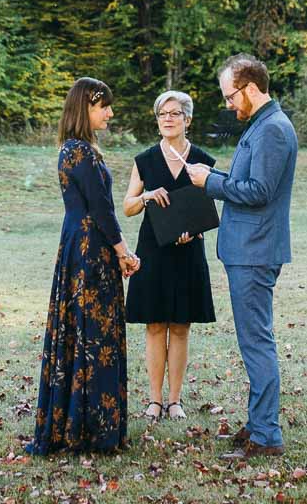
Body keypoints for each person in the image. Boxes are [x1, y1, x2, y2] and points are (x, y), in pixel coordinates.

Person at [184, 54, 298, 460]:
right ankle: (258, 423)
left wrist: (209, 182)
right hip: (248, 248)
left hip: (255, 251)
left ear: (250, 88)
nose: (229, 104)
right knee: (253, 340)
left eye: (230, 96)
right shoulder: (262, 125)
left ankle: (266, 436)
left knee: (256, 342)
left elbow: (258, 191)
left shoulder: (273, 130)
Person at [26, 78, 141, 456]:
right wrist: (124, 252)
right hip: (92, 251)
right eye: (103, 106)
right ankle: (92, 430)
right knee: (94, 335)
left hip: (80, 246)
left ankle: (80, 423)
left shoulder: (71, 150)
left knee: (82, 333)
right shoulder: (82, 153)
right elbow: (102, 210)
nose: (109, 113)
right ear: (84, 108)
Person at [121, 89, 218, 419]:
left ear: (187, 119)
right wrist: (147, 195)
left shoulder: (203, 160)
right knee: (154, 325)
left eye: (175, 113)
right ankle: (154, 400)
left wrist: (196, 228)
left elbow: (208, 209)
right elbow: (128, 207)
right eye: (163, 114)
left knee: (180, 327)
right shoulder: (145, 160)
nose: (168, 119)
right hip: (153, 249)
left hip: (189, 252)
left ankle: (174, 401)